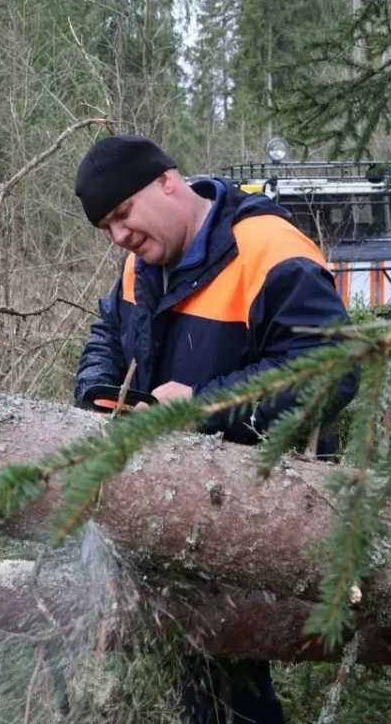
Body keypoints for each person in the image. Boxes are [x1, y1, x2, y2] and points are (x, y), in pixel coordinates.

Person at [72, 134, 358, 723]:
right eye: (107, 228)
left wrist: (205, 405)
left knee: (227, 681)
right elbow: (107, 330)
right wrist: (100, 391)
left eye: (123, 215)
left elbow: (332, 373)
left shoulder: (269, 249)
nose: (119, 237)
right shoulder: (141, 265)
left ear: (168, 183)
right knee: (196, 676)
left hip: (262, 499)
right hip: (176, 499)